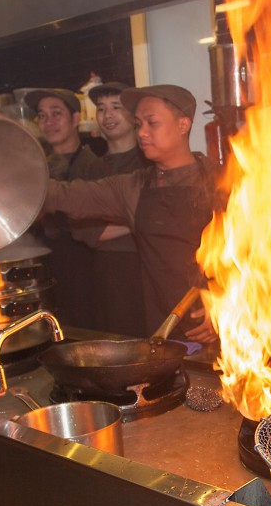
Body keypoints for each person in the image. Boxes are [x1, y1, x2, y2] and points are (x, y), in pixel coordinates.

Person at [43, 85, 218, 342]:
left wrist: (225, 304)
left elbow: (262, 257)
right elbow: (65, 194)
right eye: (138, 124)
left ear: (183, 125)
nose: (142, 133)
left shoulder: (224, 179)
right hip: (162, 333)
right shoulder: (133, 187)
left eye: (152, 122)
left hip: (224, 331)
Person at [25, 87, 101, 330]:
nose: (49, 122)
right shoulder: (34, 168)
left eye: (56, 113)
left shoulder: (93, 167)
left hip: (85, 275)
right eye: (42, 115)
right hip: (46, 272)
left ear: (76, 119)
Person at [80, 81, 148, 337]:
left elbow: (158, 216)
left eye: (116, 107)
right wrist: (136, 219)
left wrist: (121, 220)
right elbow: (88, 233)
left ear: (133, 115)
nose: (107, 115)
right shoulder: (91, 169)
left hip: (146, 267)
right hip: (108, 274)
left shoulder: (148, 161)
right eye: (101, 108)